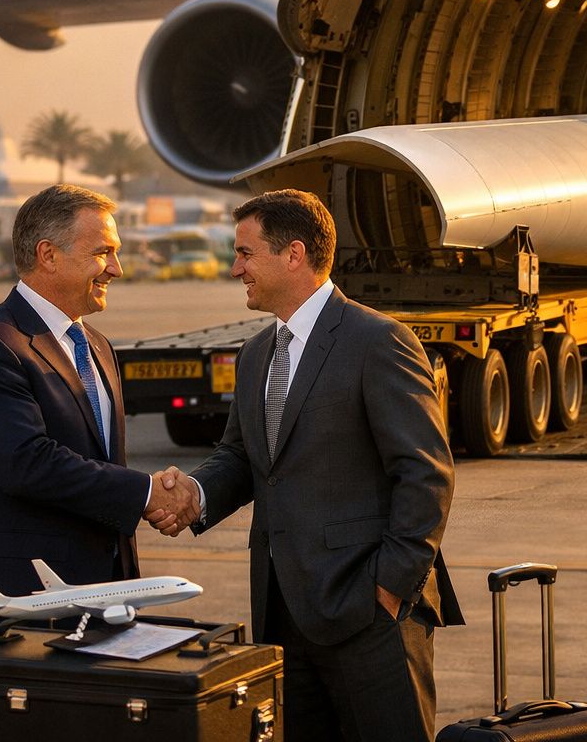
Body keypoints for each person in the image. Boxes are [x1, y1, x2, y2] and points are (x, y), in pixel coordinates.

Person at [152, 189, 462, 742]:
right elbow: (243, 458)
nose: (235, 268)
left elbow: (425, 473)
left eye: (246, 253)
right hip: (283, 615)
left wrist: (389, 589)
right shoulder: (254, 355)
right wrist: (194, 494)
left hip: (370, 615)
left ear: (293, 254)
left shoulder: (379, 340)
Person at [0, 185, 183, 618]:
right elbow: (26, 463)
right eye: (103, 253)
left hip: (104, 592)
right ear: (48, 255)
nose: (117, 269)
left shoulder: (97, 346)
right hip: (20, 596)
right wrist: (146, 494)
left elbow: (101, 462)